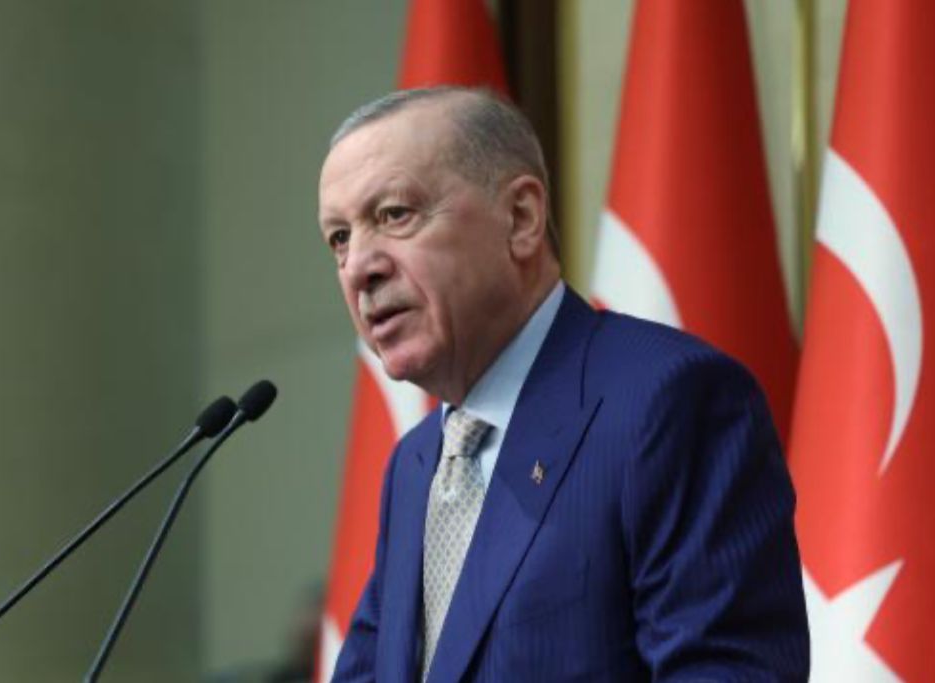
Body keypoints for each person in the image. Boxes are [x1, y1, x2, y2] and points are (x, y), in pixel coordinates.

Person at [318, 87, 808, 682]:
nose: (359, 267)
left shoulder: (666, 401)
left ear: (521, 218)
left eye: (395, 215)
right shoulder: (415, 464)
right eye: (339, 238)